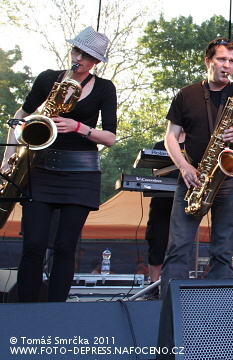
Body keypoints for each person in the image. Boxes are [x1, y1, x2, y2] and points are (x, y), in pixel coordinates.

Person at [1, 27, 117, 302]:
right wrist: (7, 158)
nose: (79, 58)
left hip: (82, 174)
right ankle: (26, 312)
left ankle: (57, 312)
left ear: (96, 61)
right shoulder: (48, 79)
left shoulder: (104, 88)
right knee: (33, 246)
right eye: (76, 51)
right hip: (40, 170)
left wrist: (78, 127)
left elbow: (110, 138)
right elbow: (20, 115)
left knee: (65, 248)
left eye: (86, 55)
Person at [160, 38, 233, 296]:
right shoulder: (186, 94)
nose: (227, 66)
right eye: (222, 59)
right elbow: (171, 136)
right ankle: (169, 307)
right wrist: (184, 166)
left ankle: (217, 309)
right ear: (208, 61)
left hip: (229, 179)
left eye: (232, 61)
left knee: (223, 251)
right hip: (192, 177)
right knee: (178, 247)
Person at [145, 135, 184, 285]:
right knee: (157, 240)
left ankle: (177, 284)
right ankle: (153, 286)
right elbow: (157, 171)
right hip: (161, 199)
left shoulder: (196, 144)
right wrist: (180, 163)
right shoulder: (162, 145)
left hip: (185, 199)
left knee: (181, 243)